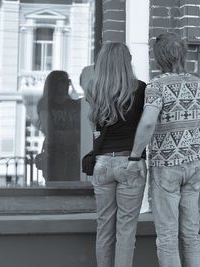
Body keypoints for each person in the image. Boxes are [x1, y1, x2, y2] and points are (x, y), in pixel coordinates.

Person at [127, 32, 200, 267]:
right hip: (194, 163)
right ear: (182, 55)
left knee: (167, 237)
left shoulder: (157, 86)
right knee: (192, 234)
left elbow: (149, 122)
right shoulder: (199, 84)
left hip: (167, 166)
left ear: (158, 58)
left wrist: (135, 155)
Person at [85, 42, 147, 267]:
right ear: (127, 61)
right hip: (130, 162)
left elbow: (95, 127)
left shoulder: (94, 88)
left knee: (104, 227)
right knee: (126, 229)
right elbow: (146, 125)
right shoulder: (140, 89)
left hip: (102, 163)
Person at [37, 70, 80, 182]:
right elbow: (51, 133)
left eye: (68, 81)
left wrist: (63, 135)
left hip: (73, 157)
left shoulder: (74, 105)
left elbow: (82, 133)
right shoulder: (45, 104)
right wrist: (73, 134)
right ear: (54, 84)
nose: (67, 84)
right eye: (63, 81)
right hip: (54, 158)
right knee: (56, 192)